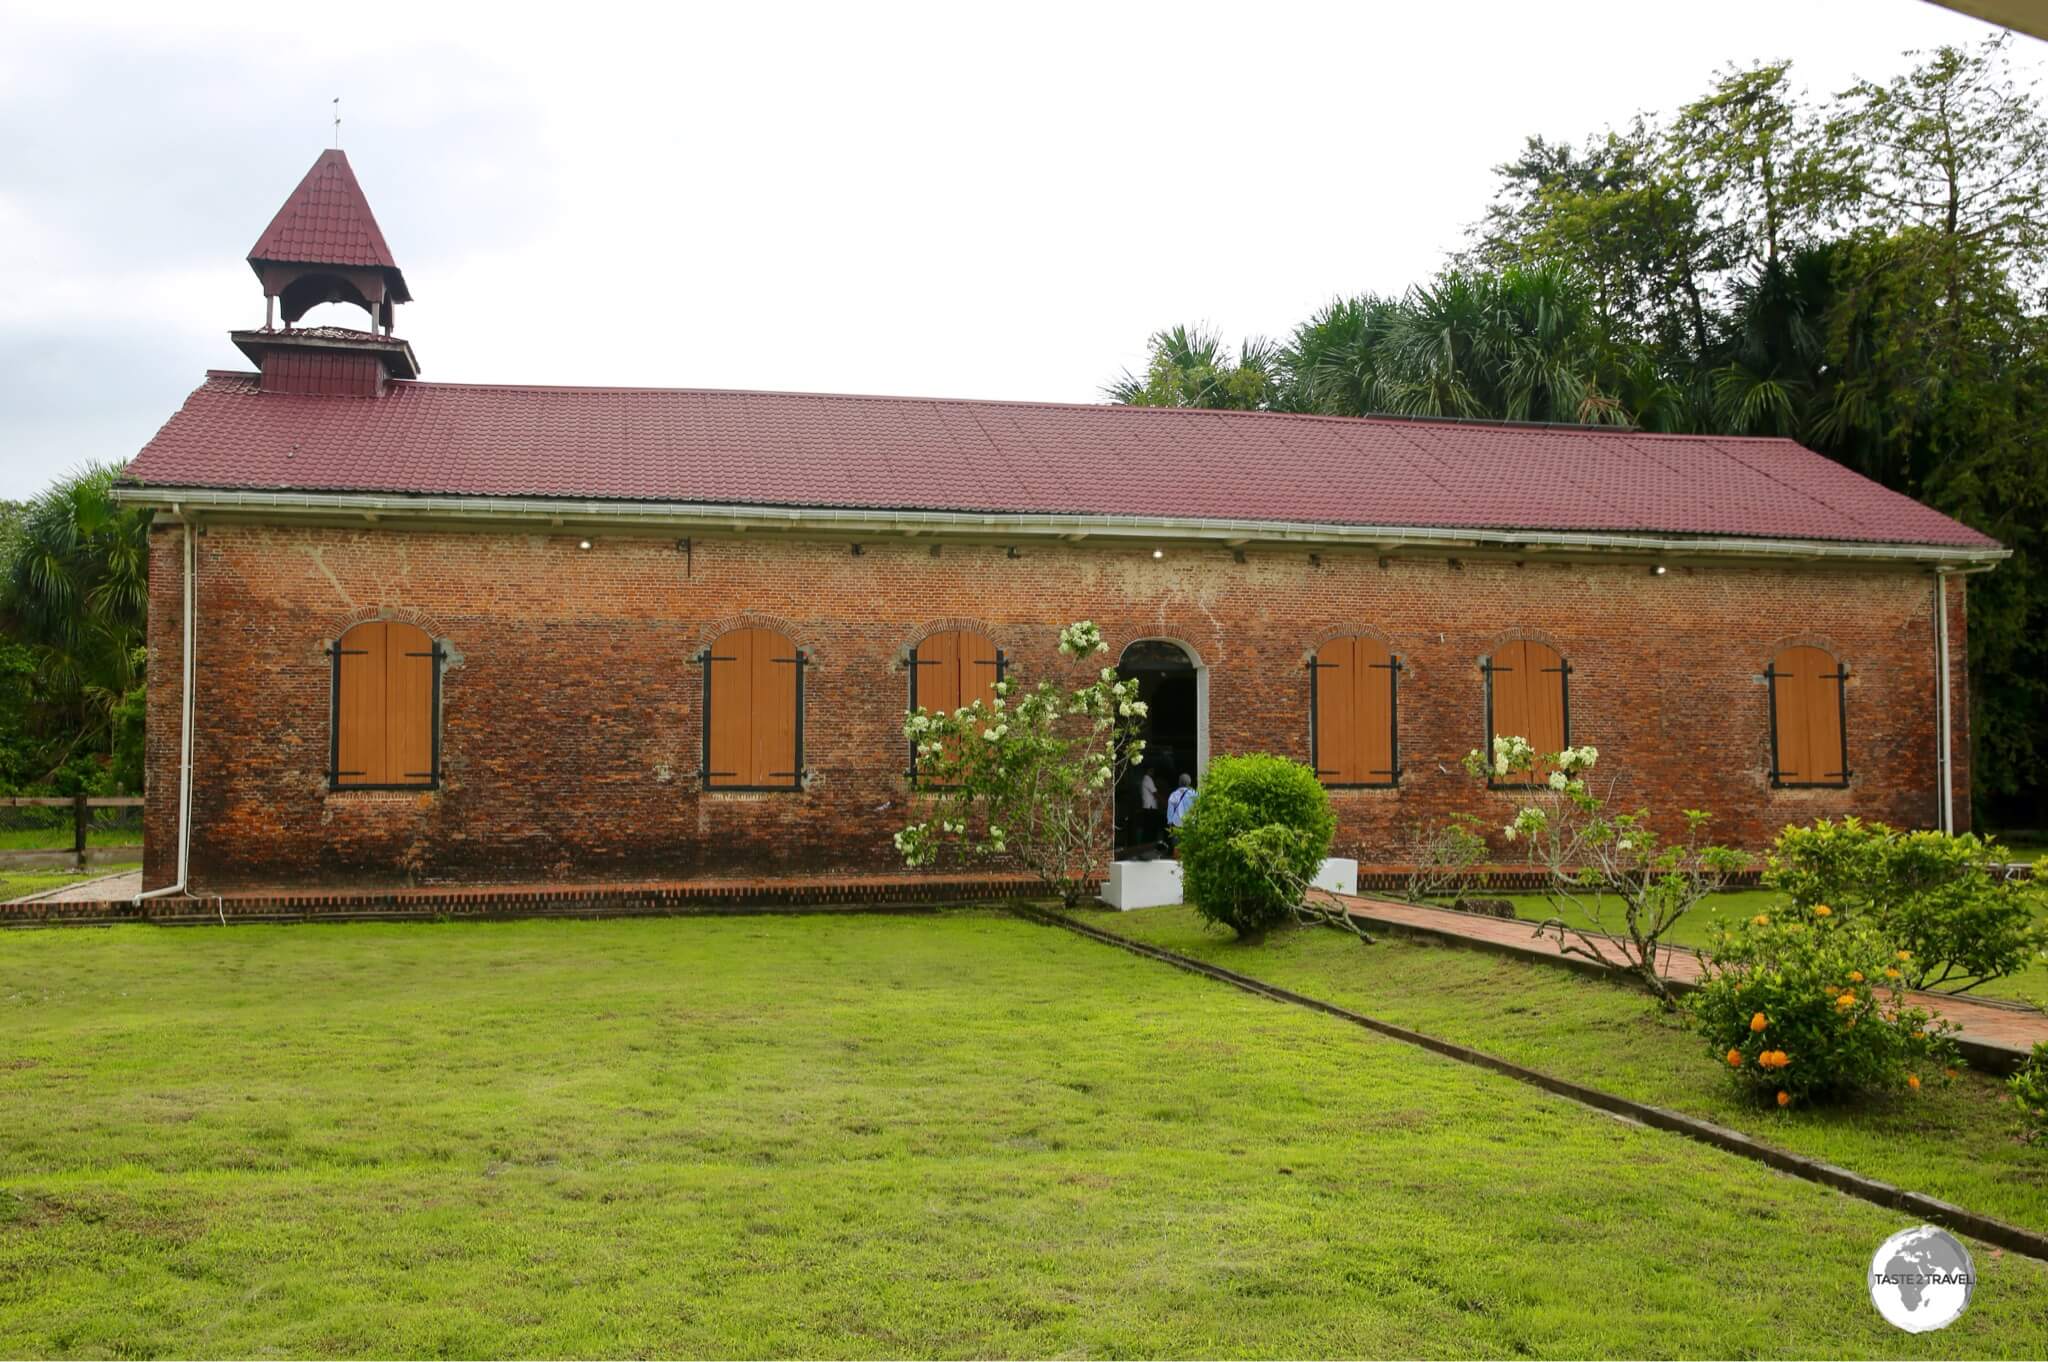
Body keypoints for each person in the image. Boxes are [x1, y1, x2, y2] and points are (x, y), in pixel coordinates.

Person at [1137, 766, 1162, 852]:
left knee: (1148, 829)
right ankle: (1149, 848)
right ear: (1148, 770)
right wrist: (1165, 802)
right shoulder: (1148, 779)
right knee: (1150, 829)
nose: (1153, 772)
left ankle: (1147, 848)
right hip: (1150, 808)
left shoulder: (1144, 780)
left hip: (1148, 808)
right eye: (1152, 770)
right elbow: (1155, 793)